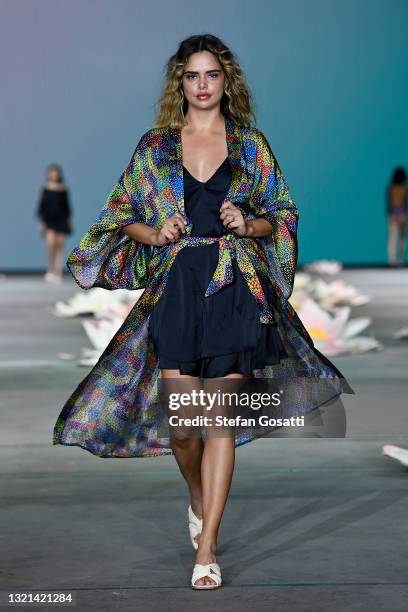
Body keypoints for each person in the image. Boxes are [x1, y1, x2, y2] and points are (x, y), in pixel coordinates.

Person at [52, 34, 354, 590]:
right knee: (186, 429)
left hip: (235, 288)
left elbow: (282, 213)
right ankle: (197, 495)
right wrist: (154, 231)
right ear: (180, 83)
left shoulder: (249, 145)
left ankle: (208, 545)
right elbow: (122, 213)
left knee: (217, 421)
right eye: (193, 76)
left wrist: (251, 224)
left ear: (226, 81)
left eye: (212, 74)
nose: (203, 85)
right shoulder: (157, 147)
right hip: (177, 288)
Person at [37, 163, 73, 283]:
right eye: (51, 173)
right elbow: (41, 207)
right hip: (49, 219)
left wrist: (70, 220)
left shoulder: (64, 188)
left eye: (55, 172)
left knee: (60, 245)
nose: (54, 175)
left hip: (61, 219)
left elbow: (67, 207)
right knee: (50, 244)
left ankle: (58, 271)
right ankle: (50, 269)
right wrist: (41, 222)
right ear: (48, 174)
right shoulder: (45, 187)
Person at [386, 166, 407, 266]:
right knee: (399, 238)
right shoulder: (403, 189)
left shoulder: (391, 188)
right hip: (400, 213)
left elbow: (388, 204)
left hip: (395, 213)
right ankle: (397, 259)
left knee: (394, 237)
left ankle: (394, 259)